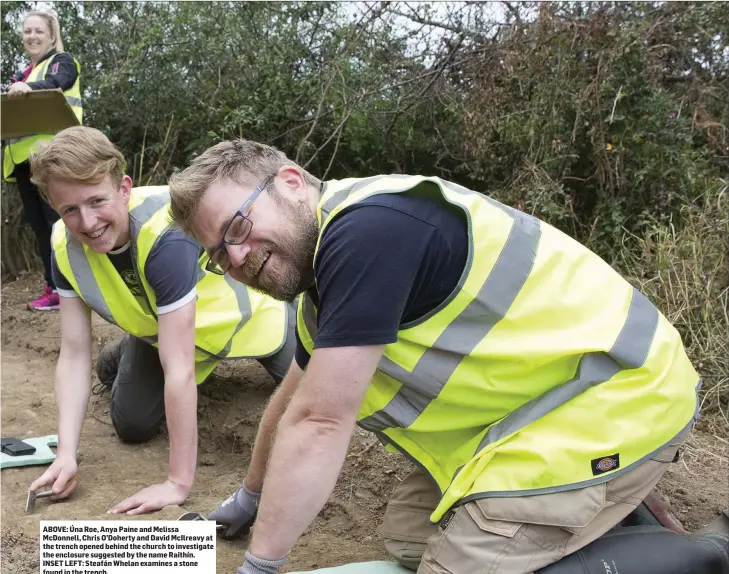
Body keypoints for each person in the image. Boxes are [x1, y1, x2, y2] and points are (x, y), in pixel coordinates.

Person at [166, 139, 729, 574]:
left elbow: (319, 423)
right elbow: (295, 399)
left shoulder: (366, 231)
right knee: (412, 539)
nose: (236, 256)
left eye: (237, 227)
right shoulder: (324, 280)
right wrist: (251, 495)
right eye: (218, 255)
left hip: (620, 401)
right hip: (532, 414)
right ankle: (617, 514)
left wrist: (260, 565)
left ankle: (701, 555)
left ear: (290, 181)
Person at [26, 127, 297, 517]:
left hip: (252, 326)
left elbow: (180, 370)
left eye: (96, 200)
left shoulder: (163, 235)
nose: (87, 222)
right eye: (69, 209)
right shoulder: (62, 247)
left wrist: (177, 483)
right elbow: (72, 353)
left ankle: (122, 356)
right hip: (161, 334)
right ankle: (120, 357)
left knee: (304, 389)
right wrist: (66, 454)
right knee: (132, 425)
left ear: (123, 188)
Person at [2, 10, 82, 311]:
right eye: (27, 31)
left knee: (58, 222)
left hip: (54, 156)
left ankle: (72, 285)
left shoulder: (61, 61)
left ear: (51, 34)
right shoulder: (21, 74)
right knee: (40, 227)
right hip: (24, 163)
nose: (32, 36)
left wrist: (28, 88)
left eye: (38, 31)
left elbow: (61, 81)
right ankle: (54, 287)